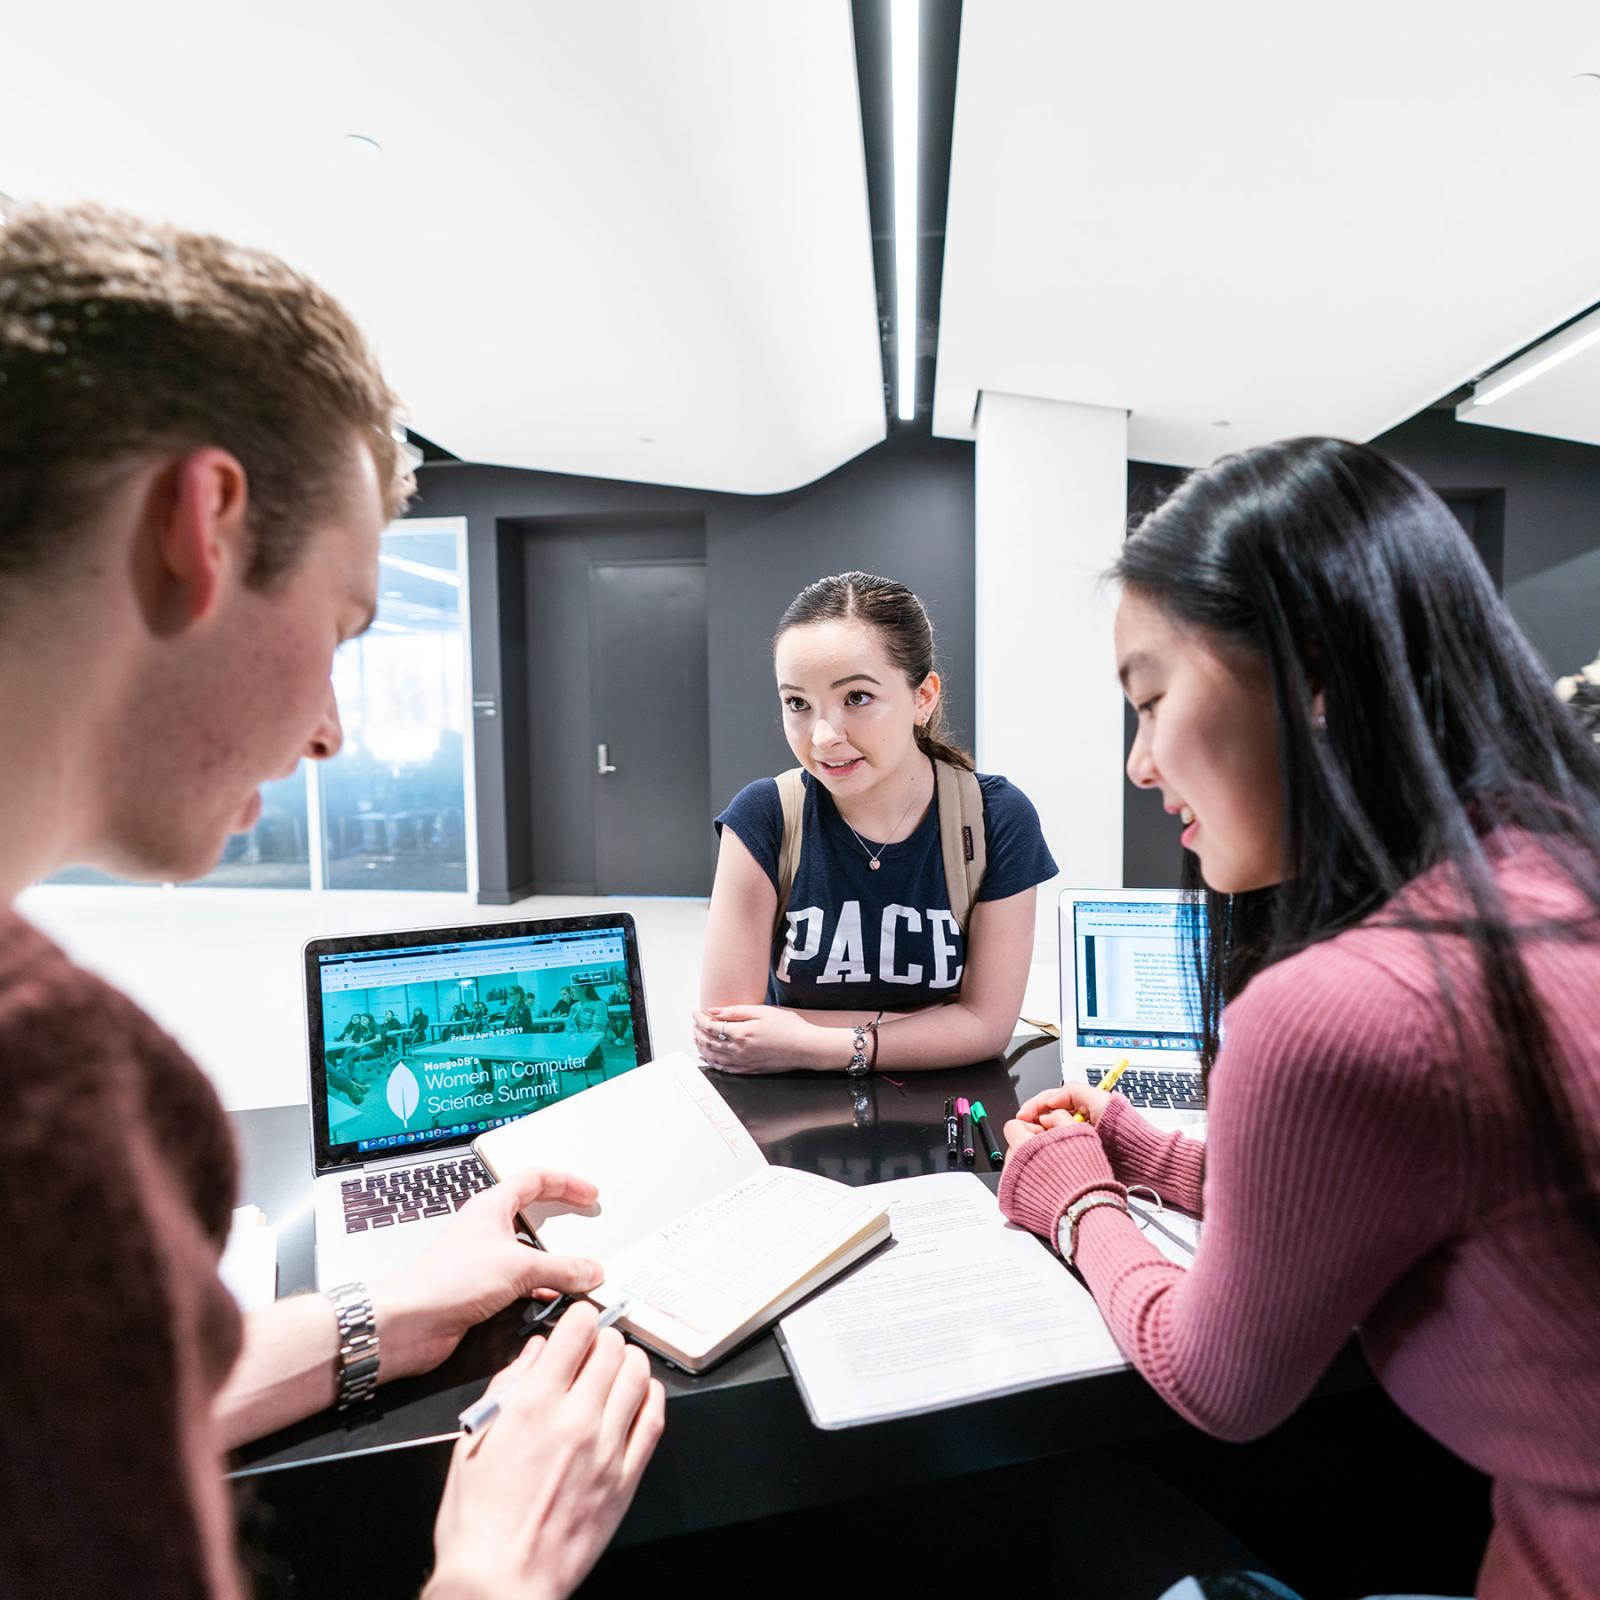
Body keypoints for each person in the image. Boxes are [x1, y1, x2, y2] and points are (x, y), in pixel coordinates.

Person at [0, 203, 663, 1599]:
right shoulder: (56, 1091)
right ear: (205, 525)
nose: (330, 734)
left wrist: (379, 1319)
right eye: (345, 629)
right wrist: (494, 1575)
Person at [997, 438, 1600, 1598]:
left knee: (1079, 1513)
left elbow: (1217, 1380)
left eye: (1150, 697)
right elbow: (1394, 1175)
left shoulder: (1339, 1008)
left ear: (1308, 669)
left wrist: (1072, 1198)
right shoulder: (1552, 884)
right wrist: (1145, 1151)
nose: (1136, 762)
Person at [697, 571, 1056, 1073]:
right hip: (789, 1118)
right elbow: (727, 1031)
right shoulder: (765, 815)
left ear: (923, 697)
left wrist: (807, 1040)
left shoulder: (993, 817)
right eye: (797, 703)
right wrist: (935, 1025)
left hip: (946, 1112)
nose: (822, 736)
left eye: (857, 698)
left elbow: (988, 1027)